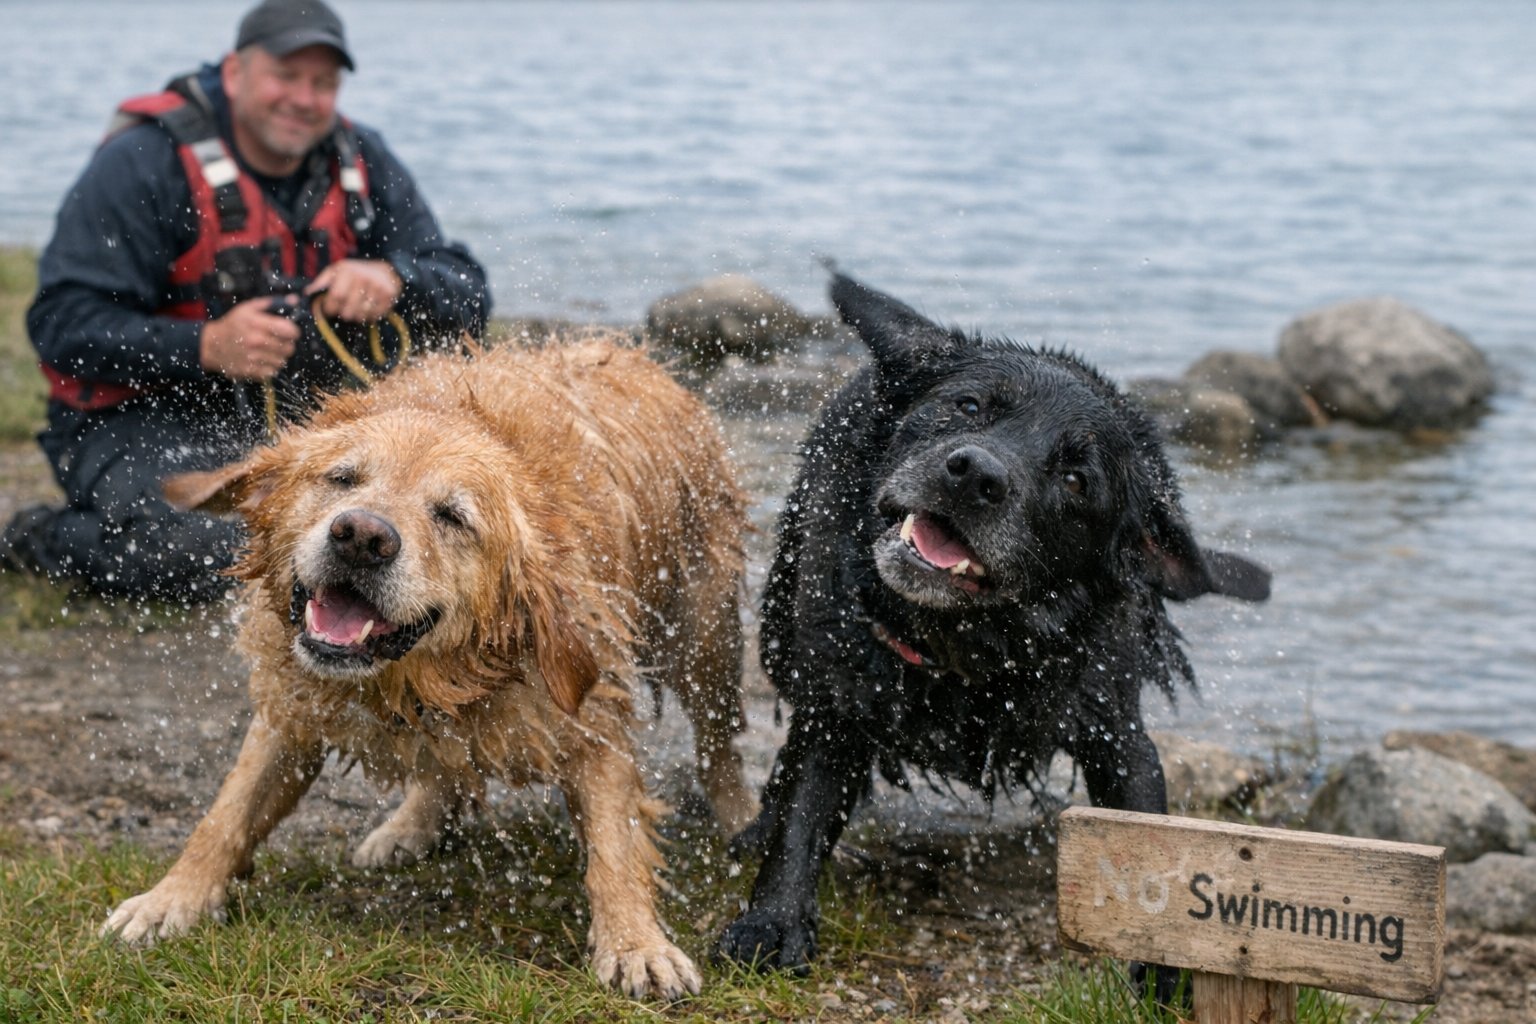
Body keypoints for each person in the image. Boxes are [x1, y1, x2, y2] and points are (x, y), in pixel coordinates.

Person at [1, 0, 490, 603]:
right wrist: (205, 346)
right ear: (235, 74)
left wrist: (396, 278)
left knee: (312, 545)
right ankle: (38, 539)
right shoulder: (142, 163)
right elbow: (61, 324)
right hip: (134, 419)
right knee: (222, 555)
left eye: (323, 83)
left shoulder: (364, 158)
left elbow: (469, 290)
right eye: (286, 76)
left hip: (295, 424)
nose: (305, 98)